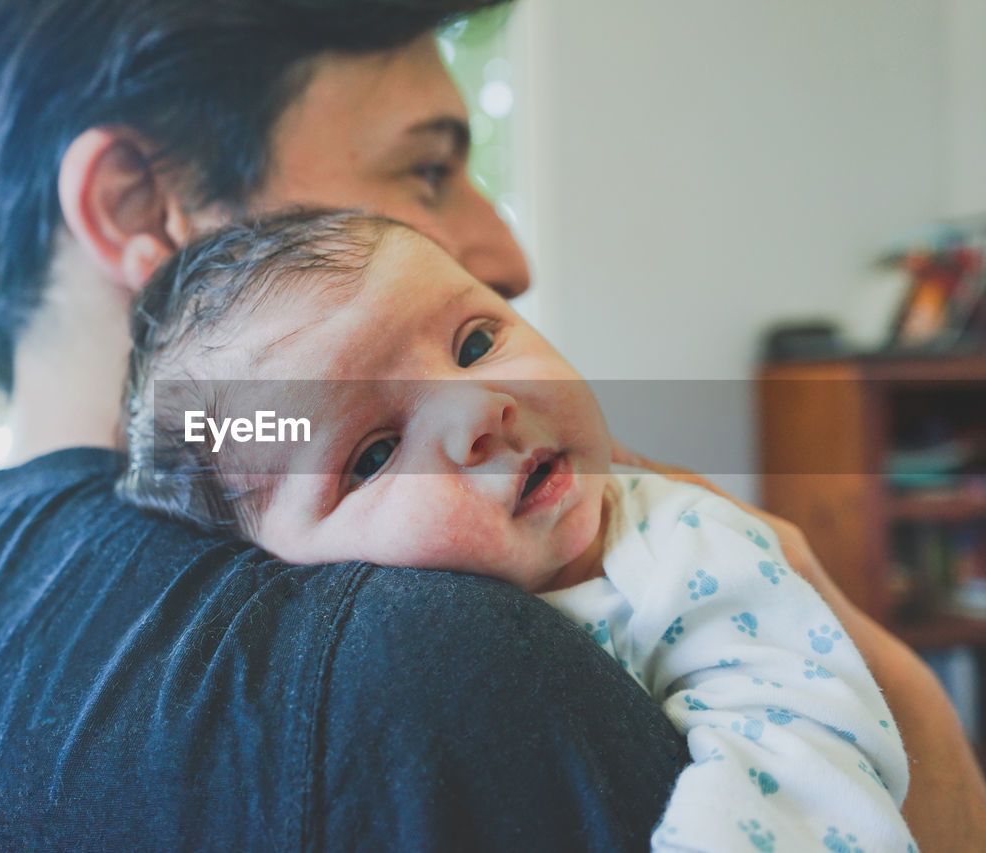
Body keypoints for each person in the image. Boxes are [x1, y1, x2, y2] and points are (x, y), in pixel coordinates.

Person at [0, 0, 985, 849]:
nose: (506, 253)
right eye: (425, 169)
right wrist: (910, 714)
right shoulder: (437, 658)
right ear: (141, 201)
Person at [119, 209, 917, 850]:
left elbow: (809, 763)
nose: (481, 409)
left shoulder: (684, 549)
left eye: (474, 342)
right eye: (372, 454)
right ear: (273, 573)